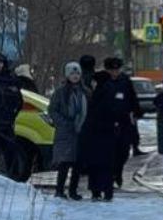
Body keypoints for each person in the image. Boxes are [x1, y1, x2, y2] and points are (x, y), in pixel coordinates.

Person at [95, 57, 140, 188]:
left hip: (124, 120)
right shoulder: (103, 82)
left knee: (124, 150)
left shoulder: (125, 81)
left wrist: (136, 112)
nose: (115, 73)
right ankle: (111, 175)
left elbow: (132, 97)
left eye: (117, 70)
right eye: (112, 70)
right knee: (109, 150)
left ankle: (118, 171)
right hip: (107, 121)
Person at [49, 62, 88, 200]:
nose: (75, 76)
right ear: (67, 75)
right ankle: (59, 190)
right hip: (65, 132)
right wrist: (63, 123)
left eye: (77, 73)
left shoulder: (84, 91)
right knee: (64, 163)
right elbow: (52, 110)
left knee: (77, 163)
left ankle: (73, 191)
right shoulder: (60, 92)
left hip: (80, 131)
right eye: (72, 73)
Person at [78, 73, 117, 200]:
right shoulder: (111, 93)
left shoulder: (98, 95)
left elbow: (92, 117)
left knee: (96, 165)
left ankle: (96, 191)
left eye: (94, 81)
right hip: (109, 135)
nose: (92, 84)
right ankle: (108, 191)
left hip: (97, 136)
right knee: (107, 165)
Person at [0, 52, 22, 177]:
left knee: (10, 153)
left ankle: (13, 180)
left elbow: (19, 102)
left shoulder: (11, 81)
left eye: (0, 62)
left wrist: (12, 116)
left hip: (6, 124)